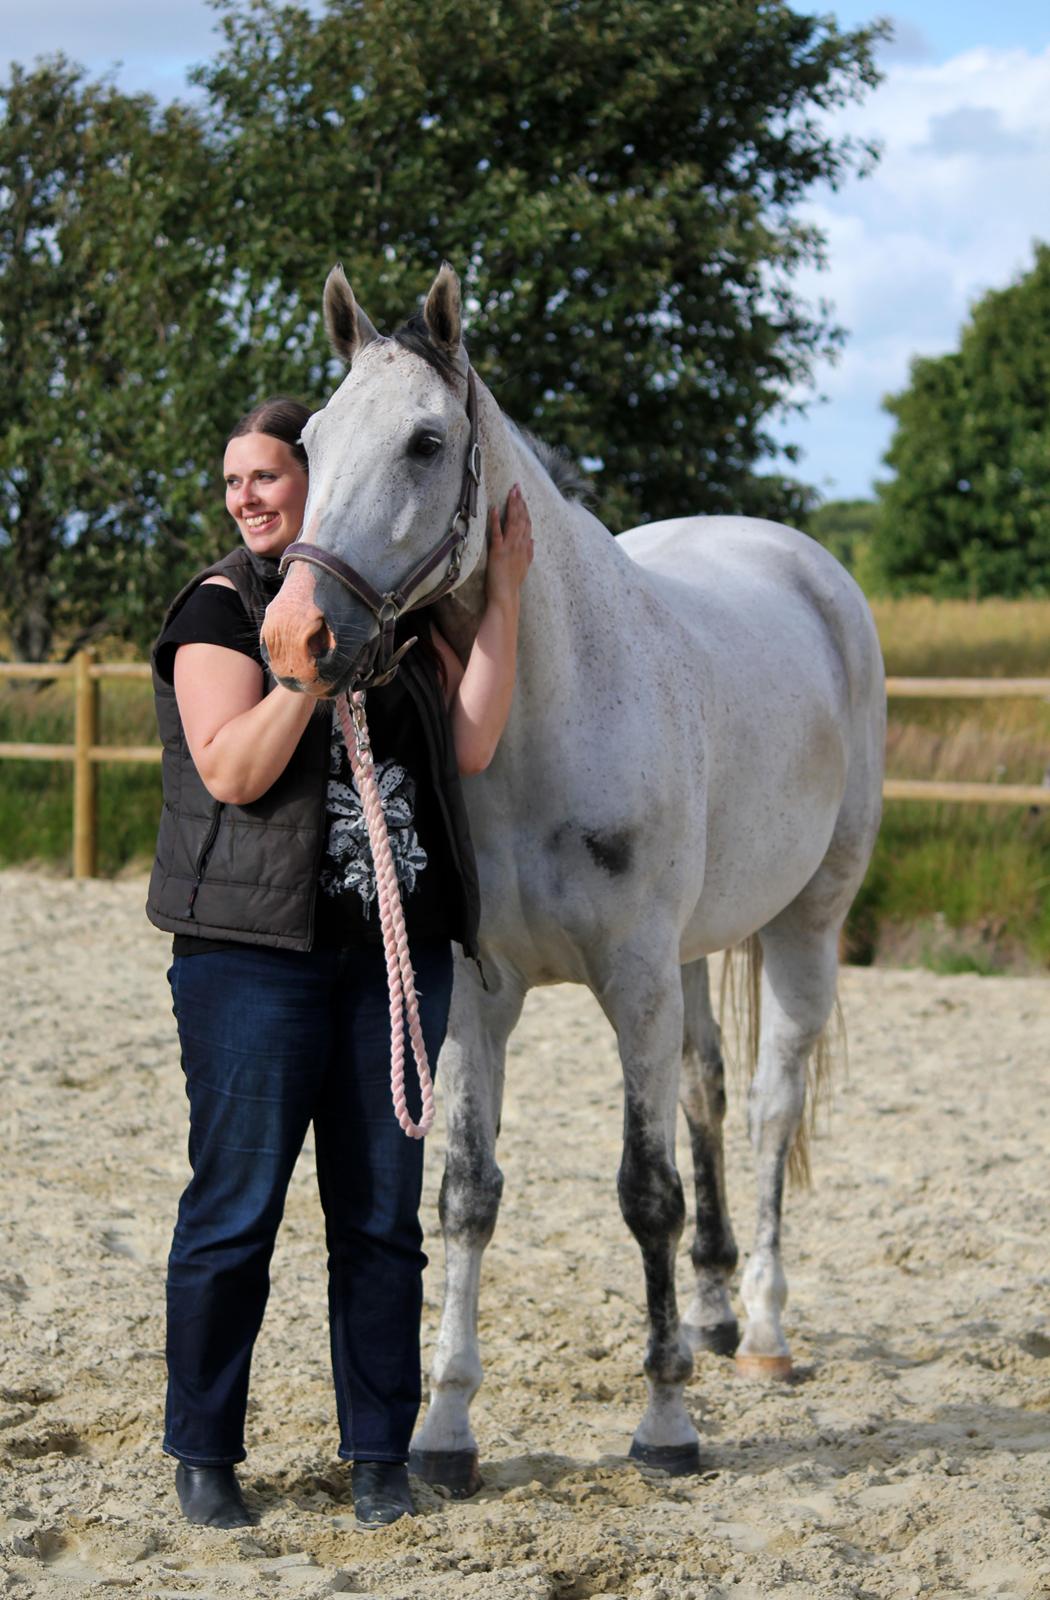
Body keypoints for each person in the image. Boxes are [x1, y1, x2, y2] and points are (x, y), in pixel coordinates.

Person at [146, 396, 533, 1530]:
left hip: (390, 963)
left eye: (268, 477)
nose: (247, 498)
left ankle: (378, 1457)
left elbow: (471, 739)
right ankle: (206, 1456)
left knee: (381, 1223)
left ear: (323, 482)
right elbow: (229, 770)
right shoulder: (220, 611)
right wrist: (307, 683)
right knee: (234, 1215)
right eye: (235, 482)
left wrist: (501, 597)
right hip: (252, 962)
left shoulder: (397, 615)